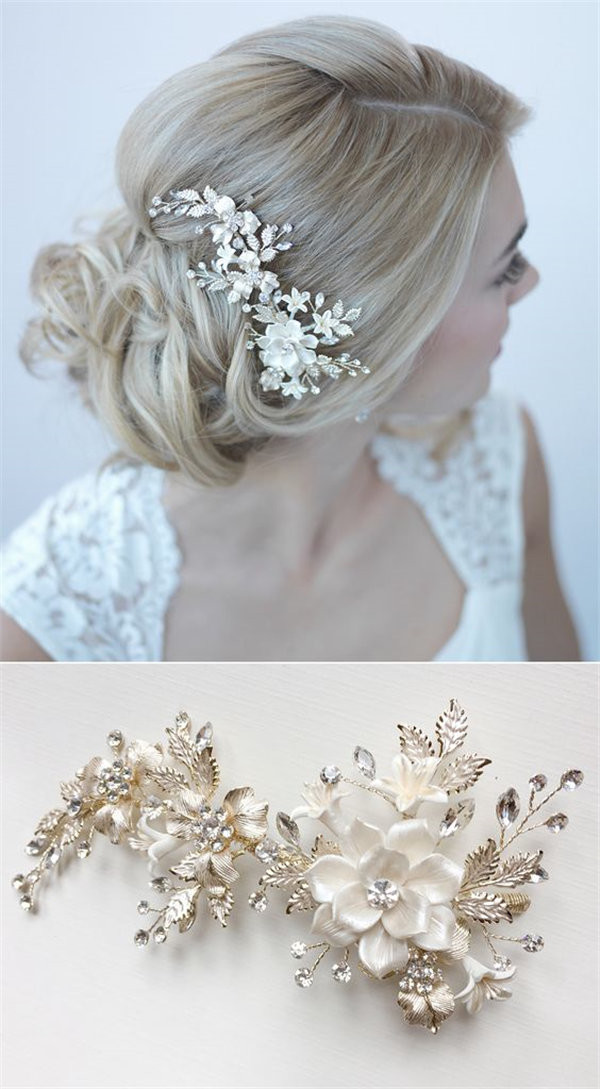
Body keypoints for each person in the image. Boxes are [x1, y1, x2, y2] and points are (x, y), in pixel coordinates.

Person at [0, 14, 581, 662]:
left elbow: (569, 748)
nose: (529, 282)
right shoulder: (50, 614)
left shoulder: (497, 465)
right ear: (379, 327)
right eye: (503, 268)